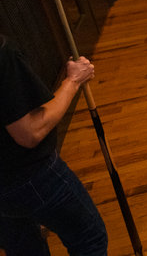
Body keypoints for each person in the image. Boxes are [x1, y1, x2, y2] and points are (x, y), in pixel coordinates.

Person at [0, 35, 108, 255]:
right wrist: (73, 81)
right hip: (30, 176)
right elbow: (30, 132)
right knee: (89, 238)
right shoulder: (2, 52)